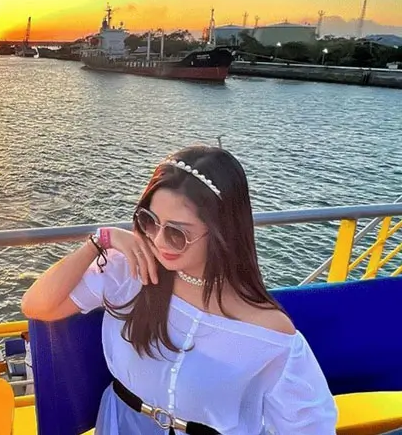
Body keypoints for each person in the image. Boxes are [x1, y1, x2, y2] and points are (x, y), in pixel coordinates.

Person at [21, 146, 337, 434]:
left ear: (221, 232)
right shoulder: (129, 272)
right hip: (121, 425)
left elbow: (310, 426)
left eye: (177, 233)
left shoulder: (267, 333)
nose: (158, 241)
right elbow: (38, 305)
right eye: (149, 221)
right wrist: (98, 241)